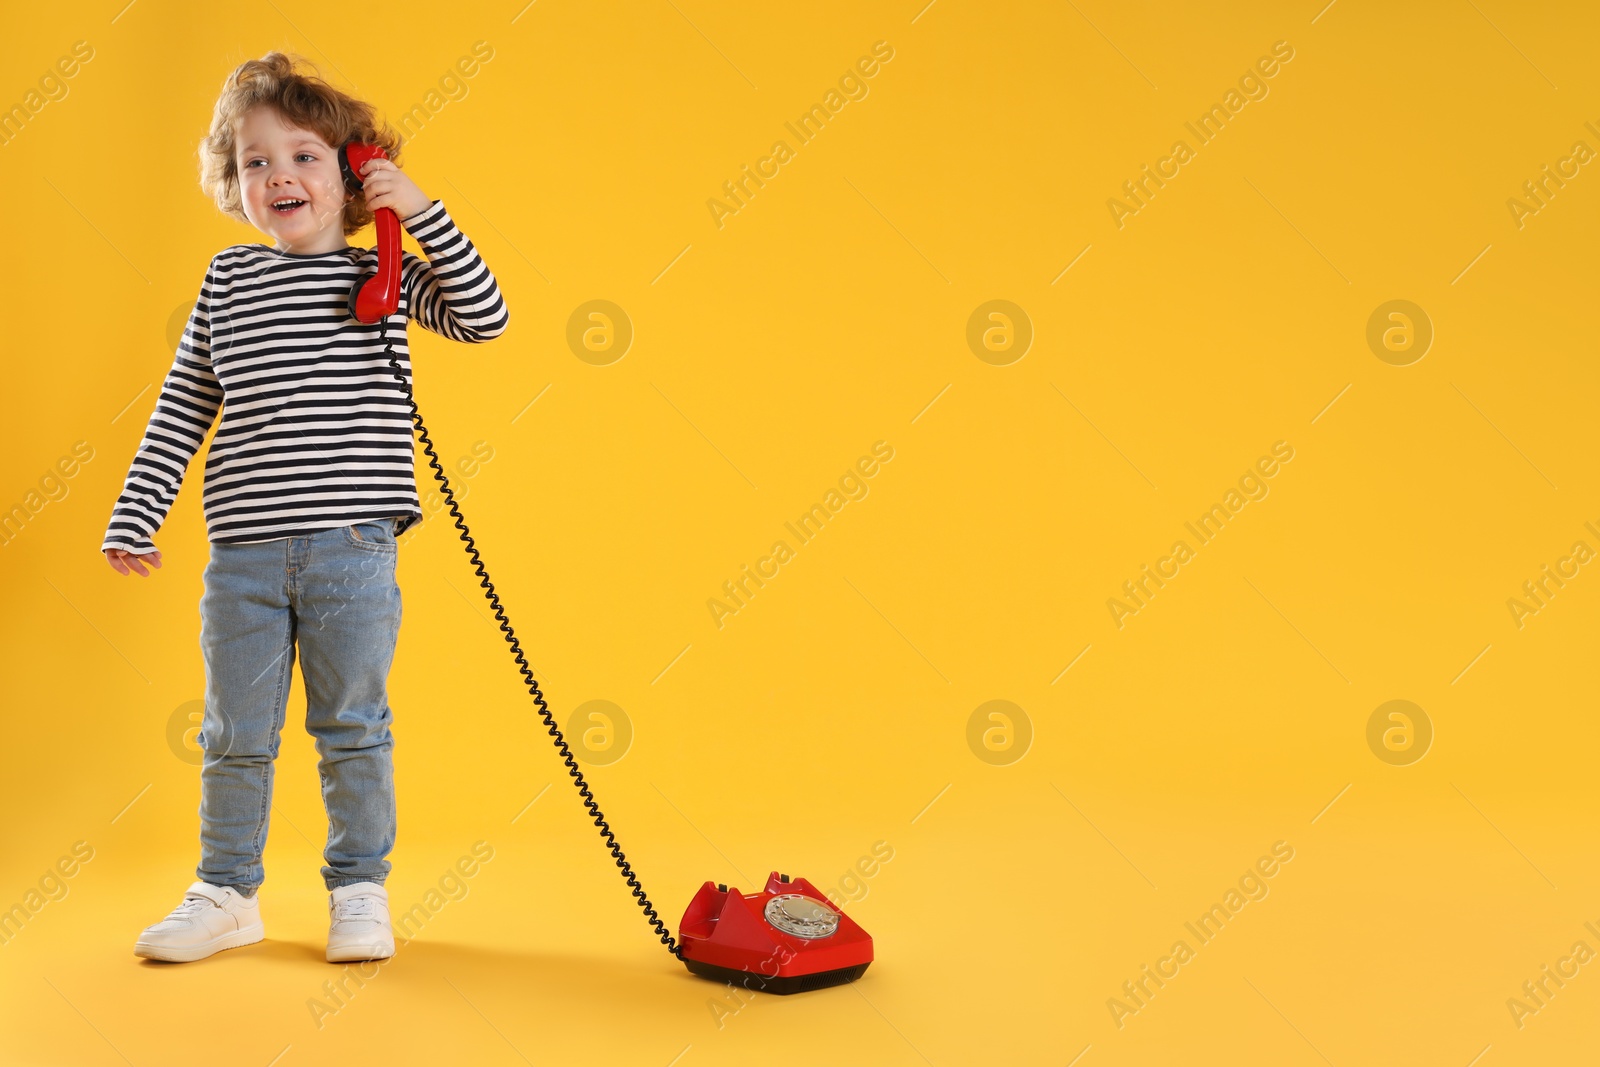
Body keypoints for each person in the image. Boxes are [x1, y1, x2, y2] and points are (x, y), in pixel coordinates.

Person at [100, 51, 509, 963]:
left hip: (352, 549)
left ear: (354, 175)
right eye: (256, 161)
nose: (280, 175)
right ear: (234, 182)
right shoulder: (229, 284)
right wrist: (138, 510)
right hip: (242, 552)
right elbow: (181, 407)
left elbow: (486, 316)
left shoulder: (385, 280)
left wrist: (422, 216)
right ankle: (225, 890)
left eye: (306, 156)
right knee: (233, 732)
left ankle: (360, 888)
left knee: (352, 728)